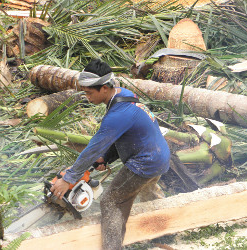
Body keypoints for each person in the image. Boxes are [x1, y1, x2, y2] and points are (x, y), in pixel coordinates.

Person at [49, 59, 171, 249]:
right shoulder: (124, 95)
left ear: (104, 88)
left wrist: (70, 177)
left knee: (111, 201)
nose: (87, 97)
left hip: (145, 162)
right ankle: (165, 232)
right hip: (160, 155)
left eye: (89, 93)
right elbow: (126, 134)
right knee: (148, 192)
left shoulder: (117, 115)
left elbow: (93, 149)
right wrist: (106, 157)